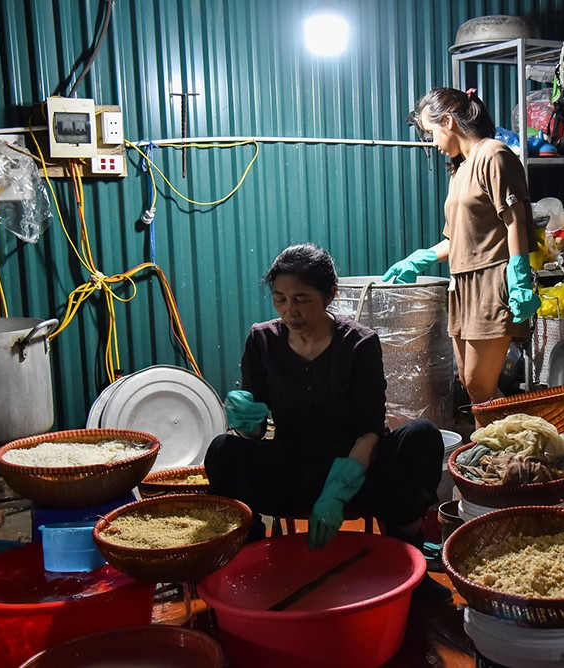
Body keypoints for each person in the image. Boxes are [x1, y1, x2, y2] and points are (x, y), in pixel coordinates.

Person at [204, 242, 450, 600]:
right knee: (223, 450)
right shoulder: (262, 340)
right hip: (292, 469)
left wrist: (337, 493)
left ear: (329, 294)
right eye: (280, 299)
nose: (291, 311)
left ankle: (405, 559)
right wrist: (248, 418)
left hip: (355, 470)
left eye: (302, 299)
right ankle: (246, 560)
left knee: (421, 436)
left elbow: (369, 432)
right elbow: (254, 434)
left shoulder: (359, 344)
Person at [384, 87, 540, 425]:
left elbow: (514, 222)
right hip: (462, 285)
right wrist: (420, 257)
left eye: (431, 132)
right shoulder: (459, 170)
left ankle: (520, 454)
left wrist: (519, 276)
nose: (432, 142)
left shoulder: (494, 155)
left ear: (449, 122)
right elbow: (457, 240)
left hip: (492, 282)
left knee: (479, 385)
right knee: (472, 388)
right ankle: (503, 455)